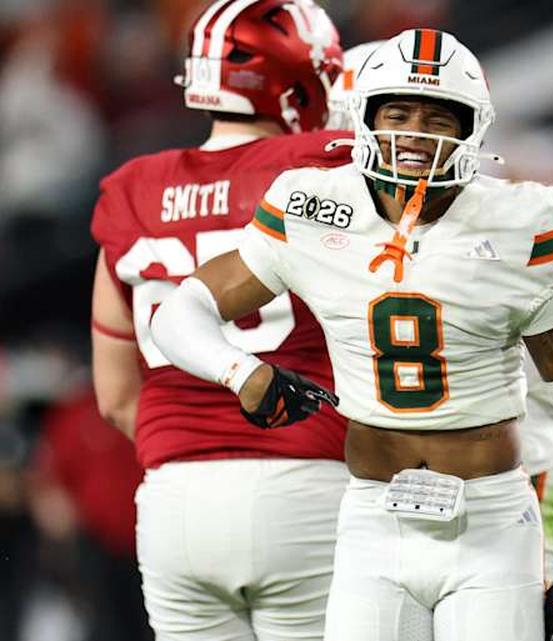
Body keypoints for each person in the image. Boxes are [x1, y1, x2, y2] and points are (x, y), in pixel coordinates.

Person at [151, 29, 553, 641]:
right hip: (373, 517)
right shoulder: (313, 206)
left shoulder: (518, 224)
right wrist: (242, 371)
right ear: (365, 117)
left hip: (490, 521)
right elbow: (178, 313)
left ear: (471, 129)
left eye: (437, 117)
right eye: (398, 112)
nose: (416, 132)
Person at [89, 1, 350, 639]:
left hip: (173, 501)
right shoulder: (326, 166)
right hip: (309, 480)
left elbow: (116, 398)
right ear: (300, 80)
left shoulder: (131, 188)